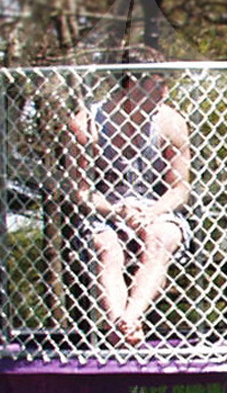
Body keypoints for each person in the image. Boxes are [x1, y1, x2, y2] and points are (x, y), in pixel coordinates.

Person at [67, 48, 192, 345]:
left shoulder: (171, 122)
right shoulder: (87, 123)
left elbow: (180, 188)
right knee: (106, 246)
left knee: (161, 238)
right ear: (133, 83)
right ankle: (118, 326)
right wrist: (116, 211)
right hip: (104, 210)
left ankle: (130, 318)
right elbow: (81, 190)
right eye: (157, 83)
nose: (165, 91)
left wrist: (150, 214)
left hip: (155, 209)